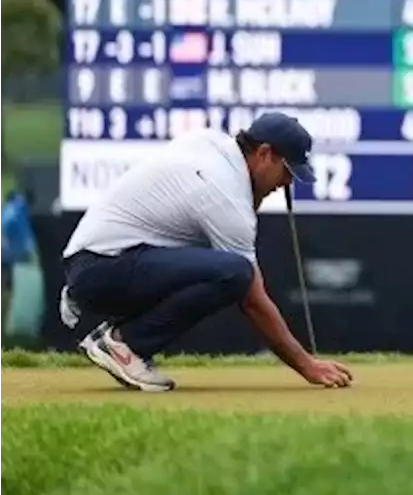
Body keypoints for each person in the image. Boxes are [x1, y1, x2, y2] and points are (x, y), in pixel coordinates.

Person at [59, 112, 354, 392]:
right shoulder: (223, 192)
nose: (287, 183)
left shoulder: (212, 145)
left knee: (218, 261)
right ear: (264, 154)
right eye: (287, 171)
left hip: (95, 262)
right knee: (236, 273)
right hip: (102, 268)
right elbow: (252, 299)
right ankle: (125, 346)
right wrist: (307, 365)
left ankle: (106, 324)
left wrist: (258, 191)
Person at [0, 189, 35, 338]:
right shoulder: (19, 209)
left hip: (9, 257)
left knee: (7, 291)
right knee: (9, 291)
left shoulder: (9, 209)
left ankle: (6, 326)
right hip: (12, 258)